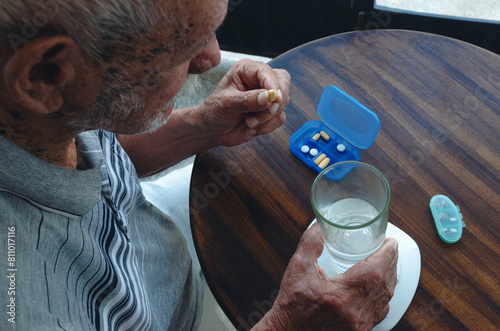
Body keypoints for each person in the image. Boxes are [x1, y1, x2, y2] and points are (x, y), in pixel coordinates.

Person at [0, 0, 398, 330]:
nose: (212, 59)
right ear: (43, 77)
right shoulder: (28, 305)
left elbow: (102, 146)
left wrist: (202, 125)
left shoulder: (48, 118)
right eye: (185, 47)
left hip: (157, 240)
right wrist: (286, 324)